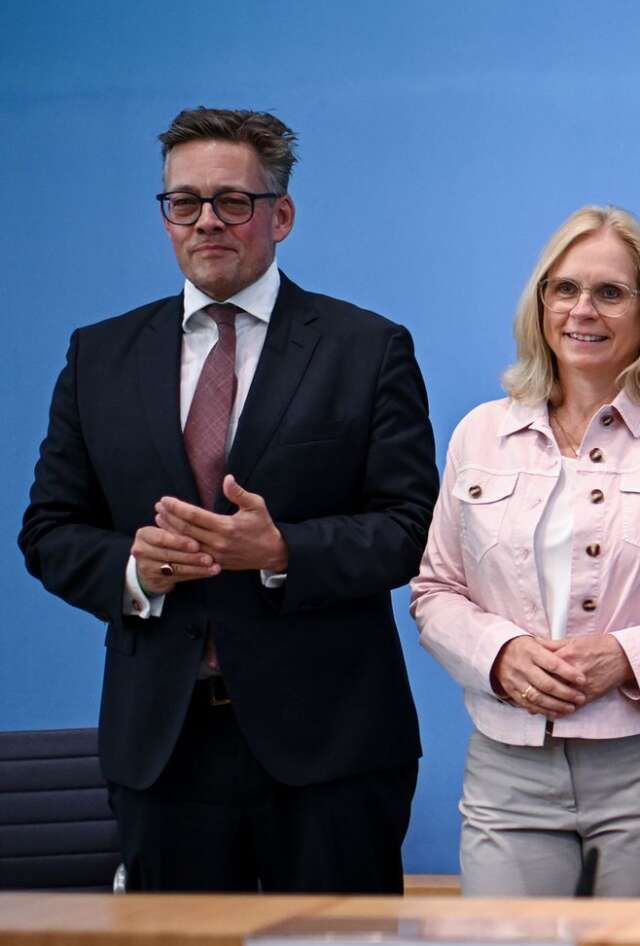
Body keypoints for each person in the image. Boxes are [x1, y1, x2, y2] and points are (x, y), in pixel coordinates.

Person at [19, 108, 436, 893]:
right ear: (167, 216)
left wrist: (283, 553)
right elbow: (48, 531)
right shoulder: (99, 355)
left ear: (280, 215)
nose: (207, 221)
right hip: (161, 746)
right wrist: (135, 568)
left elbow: (409, 527)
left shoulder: (367, 348)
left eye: (232, 201)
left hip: (331, 748)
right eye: (185, 202)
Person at [410, 206, 640, 897]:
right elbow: (434, 591)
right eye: (565, 289)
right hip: (507, 765)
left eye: (611, 292)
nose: (584, 310)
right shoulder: (480, 434)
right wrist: (499, 654)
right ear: (540, 303)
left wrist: (630, 657)